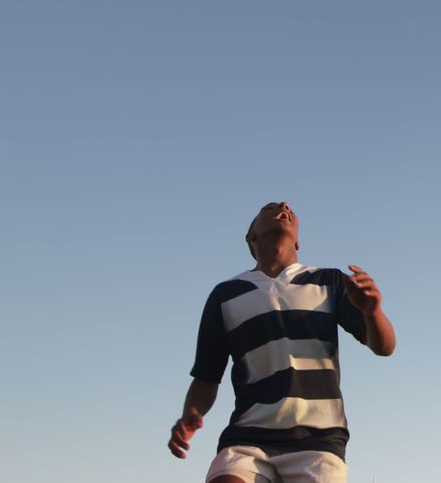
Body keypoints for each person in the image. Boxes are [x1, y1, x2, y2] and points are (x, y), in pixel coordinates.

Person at [168, 201, 397, 483]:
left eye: (290, 209)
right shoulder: (225, 296)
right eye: (270, 207)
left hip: (318, 440)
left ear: (298, 241)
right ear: (251, 236)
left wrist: (372, 312)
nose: (285, 207)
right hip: (248, 438)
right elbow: (206, 376)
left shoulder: (329, 281)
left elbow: (384, 347)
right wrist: (190, 414)